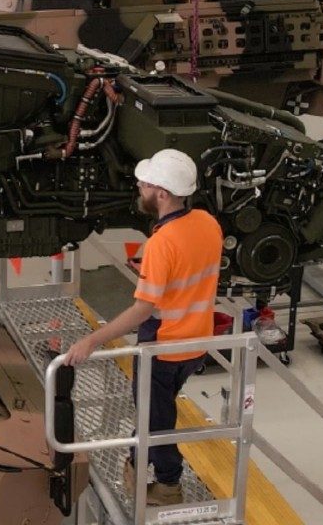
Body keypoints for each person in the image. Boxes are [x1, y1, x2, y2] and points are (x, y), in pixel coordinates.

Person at [64, 149, 223, 507]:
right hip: (196, 340)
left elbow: (141, 311)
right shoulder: (206, 222)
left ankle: (168, 485)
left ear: (162, 194)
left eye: (146, 183)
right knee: (154, 410)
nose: (139, 185)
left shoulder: (162, 243)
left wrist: (92, 341)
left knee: (155, 420)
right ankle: (138, 461)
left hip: (164, 344)